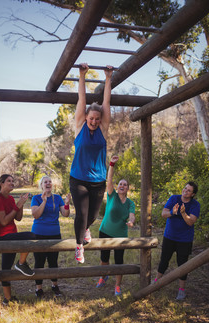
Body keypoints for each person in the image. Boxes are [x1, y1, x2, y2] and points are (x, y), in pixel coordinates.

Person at [69, 63, 113, 264]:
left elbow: (106, 102)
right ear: (86, 116)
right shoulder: (80, 126)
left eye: (97, 118)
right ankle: (79, 246)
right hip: (78, 178)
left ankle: (86, 229)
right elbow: (82, 99)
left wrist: (108, 77)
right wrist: (81, 75)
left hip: (98, 180)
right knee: (82, 212)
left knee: (94, 216)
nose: (94, 121)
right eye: (91, 118)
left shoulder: (103, 129)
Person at [153, 181, 200, 300]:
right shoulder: (174, 198)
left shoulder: (195, 205)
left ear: (193, 194)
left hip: (184, 239)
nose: (185, 191)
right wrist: (173, 212)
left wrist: (183, 213)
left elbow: (190, 222)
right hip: (169, 236)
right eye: (185, 188)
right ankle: (156, 283)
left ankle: (181, 290)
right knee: (164, 260)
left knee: (182, 265)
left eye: (189, 190)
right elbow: (164, 214)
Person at [96, 155, 135, 296]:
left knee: (119, 262)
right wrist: (111, 164)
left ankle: (117, 286)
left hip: (120, 236)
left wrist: (131, 221)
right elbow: (109, 180)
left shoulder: (130, 202)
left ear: (127, 189)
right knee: (104, 259)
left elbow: (132, 214)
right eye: (120, 184)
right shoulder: (112, 195)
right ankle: (103, 277)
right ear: (117, 187)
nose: (122, 186)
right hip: (105, 232)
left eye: (125, 185)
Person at [0, 174, 35, 306]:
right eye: (9, 181)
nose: (12, 183)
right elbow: (3, 221)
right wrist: (16, 206)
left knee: (6, 269)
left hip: (12, 235)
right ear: (1, 183)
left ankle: (7, 299)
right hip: (2, 237)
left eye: (13, 181)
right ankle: (21, 263)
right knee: (31, 236)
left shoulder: (11, 198)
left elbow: (18, 218)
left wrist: (21, 204)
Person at [31, 175, 71, 298]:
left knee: (53, 261)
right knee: (39, 261)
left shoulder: (57, 198)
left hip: (54, 234)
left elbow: (65, 214)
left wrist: (67, 204)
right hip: (38, 234)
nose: (48, 183)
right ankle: (39, 288)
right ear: (41, 185)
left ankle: (55, 285)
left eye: (50, 182)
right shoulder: (36, 198)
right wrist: (44, 201)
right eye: (45, 182)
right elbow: (36, 215)